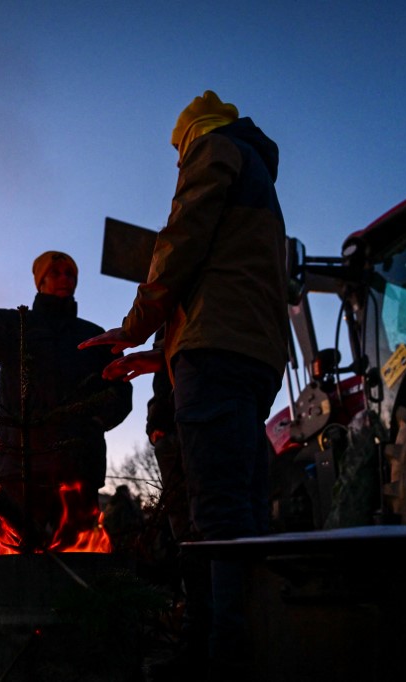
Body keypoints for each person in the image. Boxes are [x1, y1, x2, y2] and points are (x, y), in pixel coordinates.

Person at [79, 90, 289, 680]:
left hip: (215, 357)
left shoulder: (214, 148)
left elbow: (180, 242)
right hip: (254, 356)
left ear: (191, 134)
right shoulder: (260, 181)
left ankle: (221, 660)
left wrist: (131, 326)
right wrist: (157, 357)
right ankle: (248, 648)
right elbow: (224, 284)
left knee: (215, 517)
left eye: (178, 152)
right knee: (245, 512)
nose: (178, 163)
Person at [0, 250, 133, 547]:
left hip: (79, 468)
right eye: (56, 272)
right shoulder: (17, 325)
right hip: (21, 467)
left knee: (78, 553)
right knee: (15, 553)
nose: (64, 279)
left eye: (70, 273)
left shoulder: (94, 336)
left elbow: (120, 388)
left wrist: (94, 423)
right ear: (40, 281)